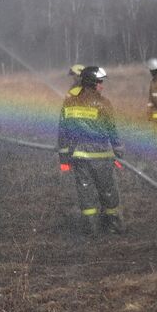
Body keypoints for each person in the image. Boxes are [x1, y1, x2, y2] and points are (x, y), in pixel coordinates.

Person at [58, 66, 124, 237]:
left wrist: (63, 158)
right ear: (93, 83)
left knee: (86, 194)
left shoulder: (70, 101)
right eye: (100, 82)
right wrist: (118, 153)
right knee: (109, 193)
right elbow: (112, 132)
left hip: (79, 157)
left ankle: (91, 229)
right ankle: (113, 227)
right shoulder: (103, 103)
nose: (102, 85)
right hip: (102, 157)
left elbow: (63, 132)